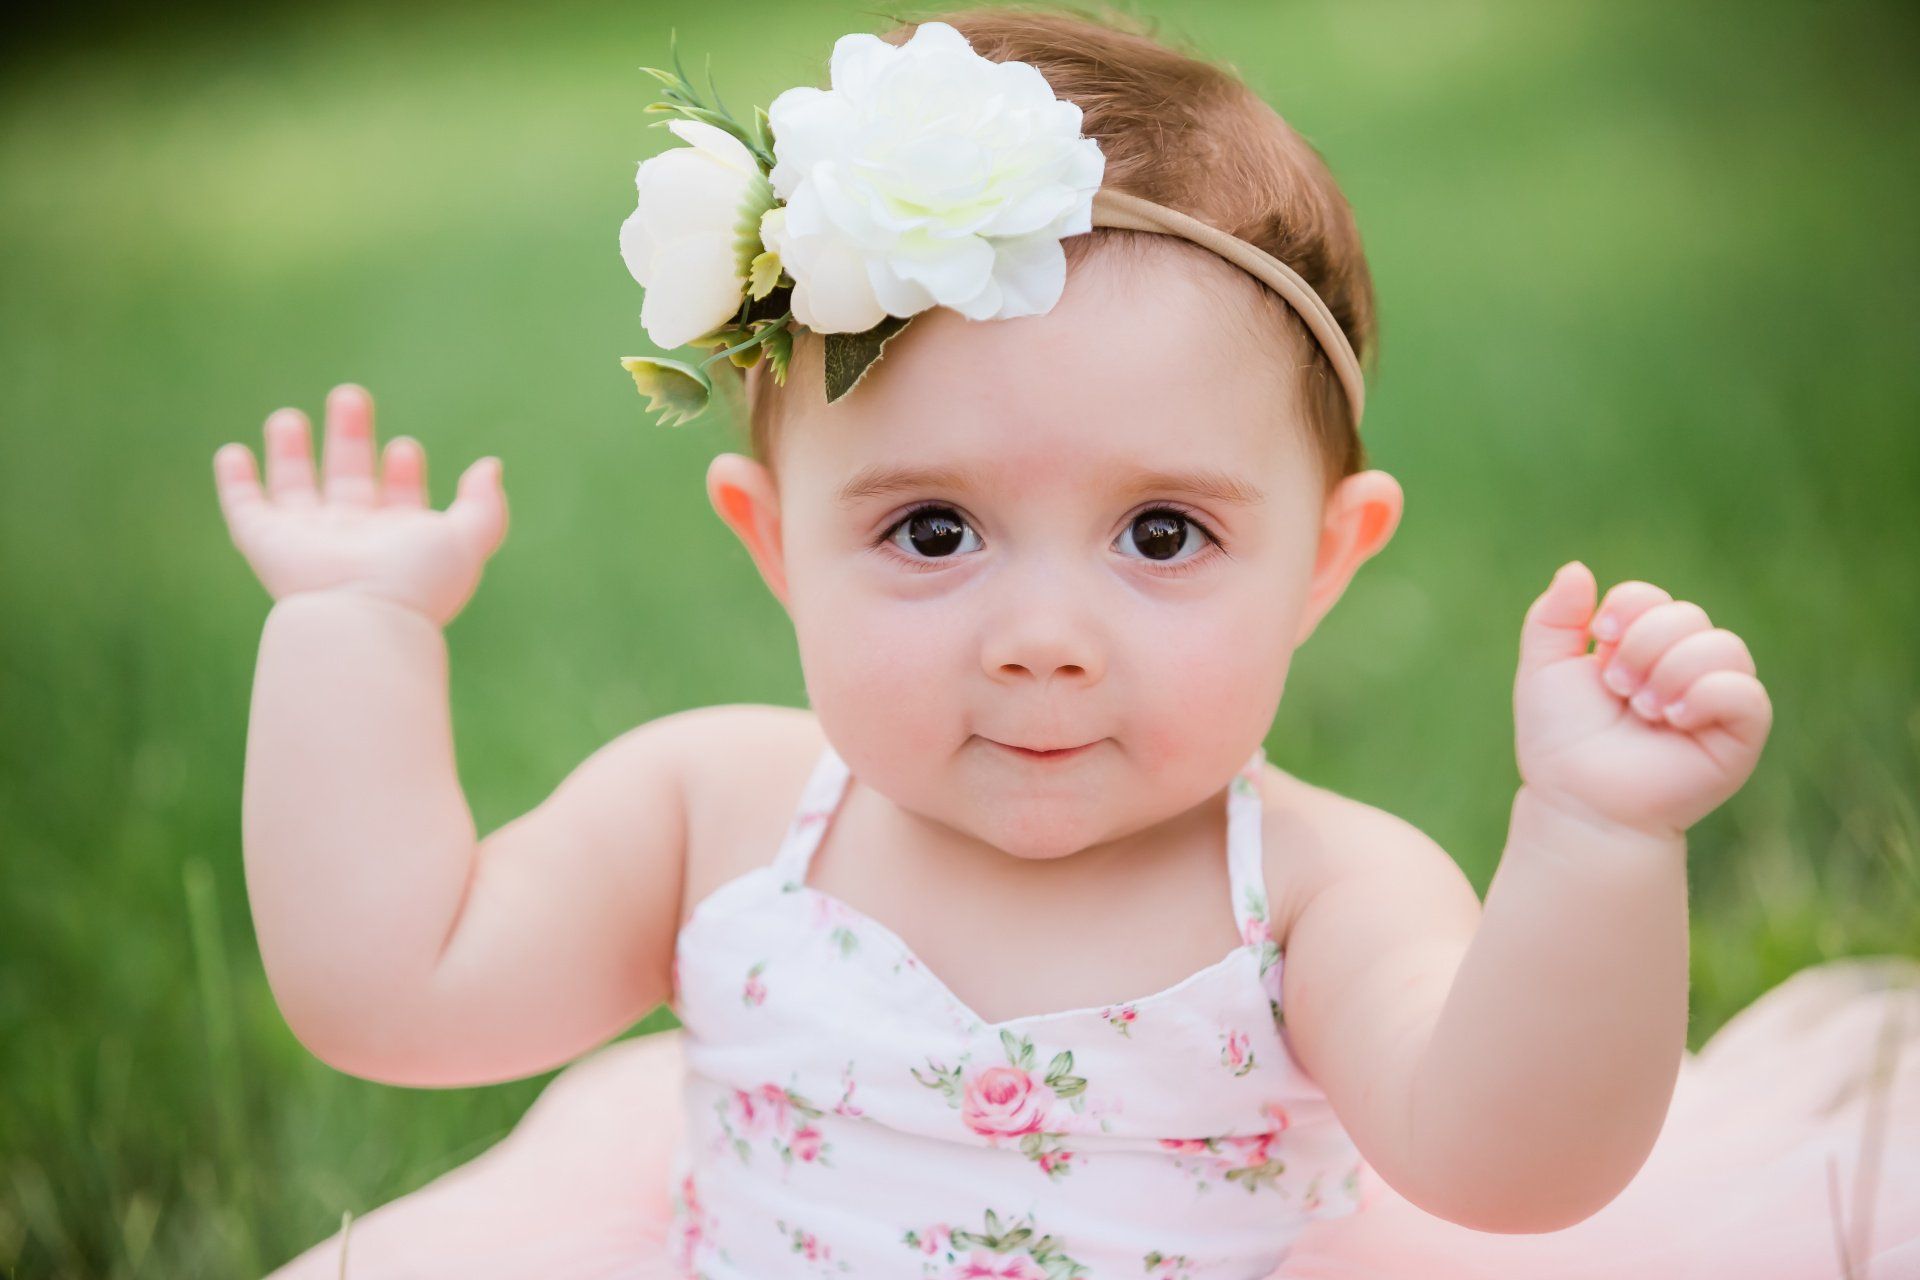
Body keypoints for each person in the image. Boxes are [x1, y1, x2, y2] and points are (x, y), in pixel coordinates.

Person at [213, 9, 1920, 1278]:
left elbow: (1514, 1171)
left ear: (1328, 562)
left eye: (1162, 535)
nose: (1042, 640)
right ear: (775, 542)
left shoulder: (1315, 890)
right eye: (930, 531)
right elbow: (392, 993)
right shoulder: (713, 816)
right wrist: (347, 631)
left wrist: (1598, 839)